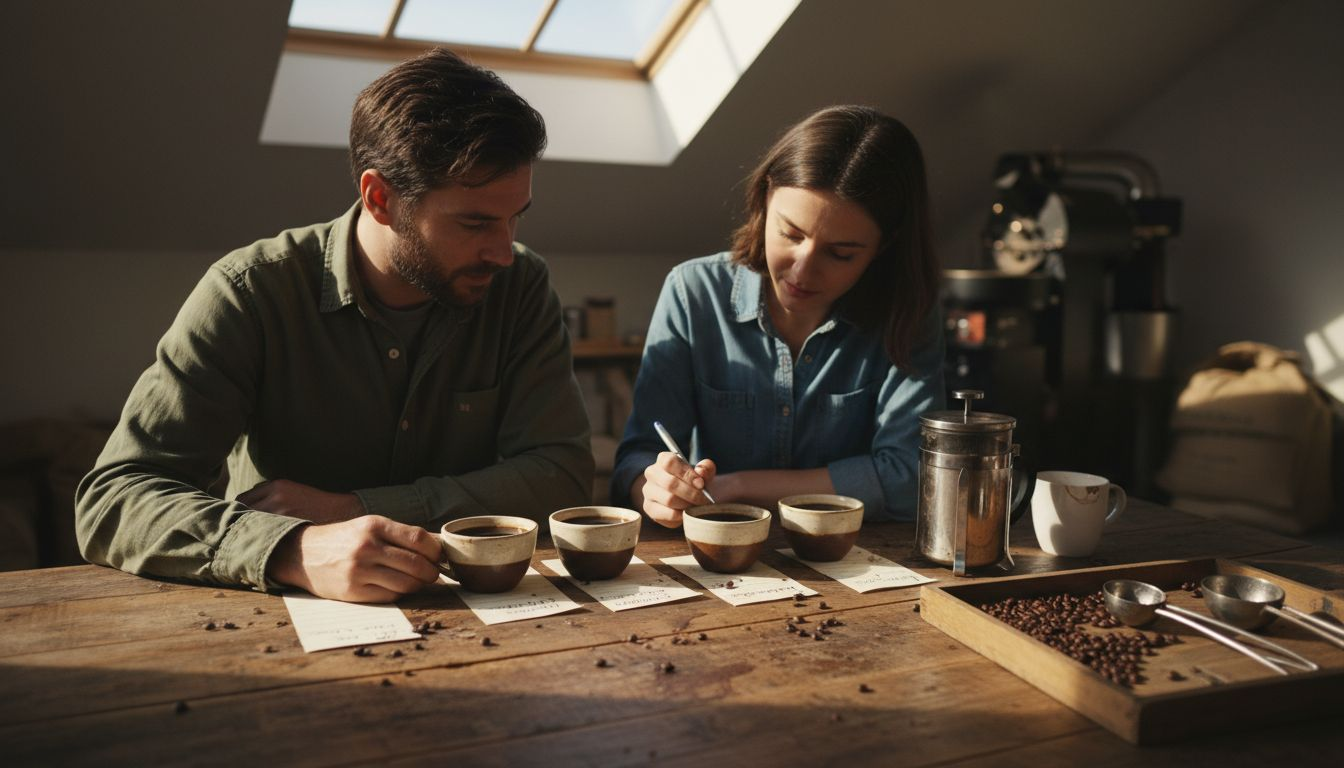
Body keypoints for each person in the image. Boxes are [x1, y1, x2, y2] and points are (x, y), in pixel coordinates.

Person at [75, 49, 594, 602]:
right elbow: (114, 499)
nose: (503, 251)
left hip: (482, 614)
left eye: (516, 217)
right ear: (380, 199)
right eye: (475, 222)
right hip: (276, 625)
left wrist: (354, 510)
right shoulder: (251, 291)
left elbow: (560, 475)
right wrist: (292, 549)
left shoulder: (521, 287)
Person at [612, 105, 944, 526]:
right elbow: (635, 459)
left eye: (840, 254)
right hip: (719, 555)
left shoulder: (906, 310)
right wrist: (655, 489)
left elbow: (913, 478)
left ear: (884, 247)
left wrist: (736, 487)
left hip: (857, 561)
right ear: (765, 198)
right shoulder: (694, 294)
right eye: (790, 233)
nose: (802, 271)